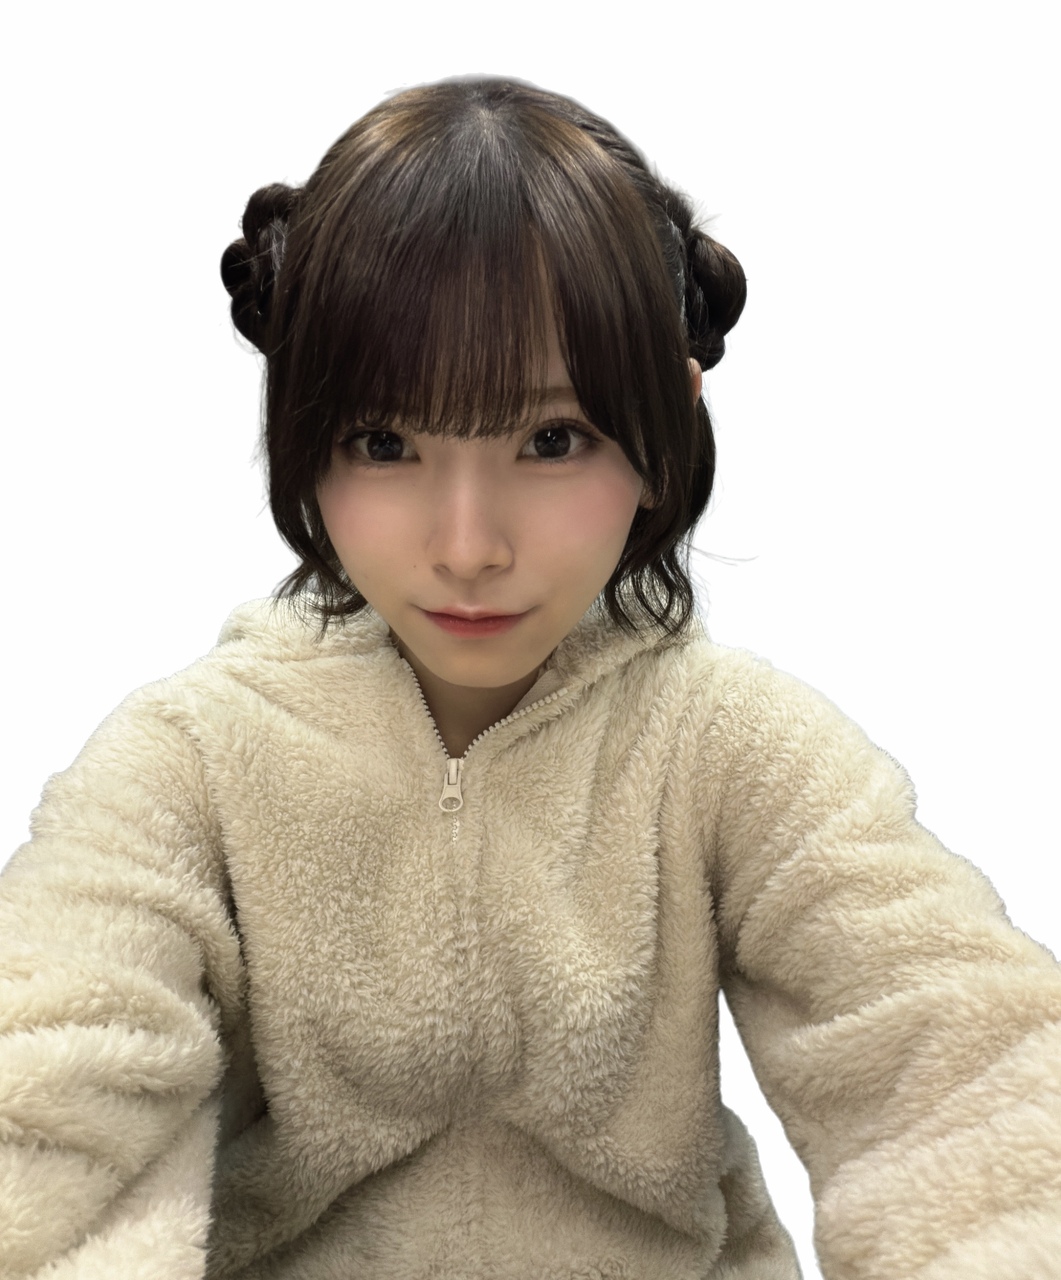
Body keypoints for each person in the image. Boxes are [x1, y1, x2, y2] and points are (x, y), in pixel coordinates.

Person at [1, 75, 1059, 1280]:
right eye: (384, 441)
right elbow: (45, 1095)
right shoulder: (189, 759)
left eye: (550, 439)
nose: (466, 544)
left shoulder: (734, 748)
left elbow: (969, 1075)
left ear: (665, 423)